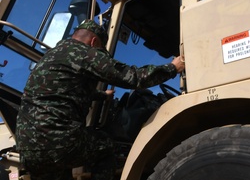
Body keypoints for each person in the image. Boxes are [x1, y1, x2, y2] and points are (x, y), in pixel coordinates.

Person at [15, 19, 185, 180]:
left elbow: (62, 92)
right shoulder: (85, 53)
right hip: (59, 142)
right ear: (93, 42)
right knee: (107, 147)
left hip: (27, 149)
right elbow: (132, 77)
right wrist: (171, 68)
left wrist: (102, 96)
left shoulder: (51, 56)